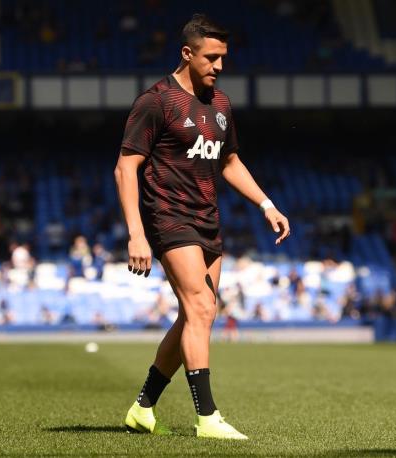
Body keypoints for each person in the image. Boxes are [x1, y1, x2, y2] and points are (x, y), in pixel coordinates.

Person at [115, 14, 290, 440]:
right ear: (187, 53)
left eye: (223, 57)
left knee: (197, 314)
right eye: (211, 57)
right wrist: (136, 233)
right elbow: (125, 167)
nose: (219, 66)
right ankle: (208, 418)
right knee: (200, 308)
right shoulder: (157, 101)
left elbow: (229, 162)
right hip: (168, 216)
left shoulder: (221, 105)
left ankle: (142, 408)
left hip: (207, 219)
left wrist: (266, 204)